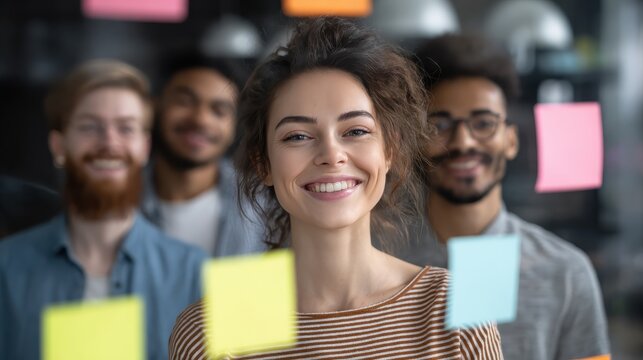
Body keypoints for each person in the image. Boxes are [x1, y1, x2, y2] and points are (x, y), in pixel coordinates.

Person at [169, 17, 503, 359]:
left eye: (356, 131)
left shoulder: (456, 311)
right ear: (262, 163)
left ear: (390, 151)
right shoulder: (214, 328)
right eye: (297, 136)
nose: (331, 155)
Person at [398, 33, 609, 359]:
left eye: (483, 123)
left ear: (511, 140)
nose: (463, 142)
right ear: (416, 142)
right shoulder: (371, 258)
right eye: (439, 125)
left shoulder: (566, 273)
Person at [0, 60, 207, 360]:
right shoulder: (6, 267)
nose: (109, 141)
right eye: (90, 127)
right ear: (59, 146)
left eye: (126, 128)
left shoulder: (194, 272)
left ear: (144, 147)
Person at [141, 54, 266, 256]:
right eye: (185, 101)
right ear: (155, 105)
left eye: (219, 111)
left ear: (234, 125)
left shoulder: (263, 207)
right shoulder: (118, 198)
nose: (201, 120)